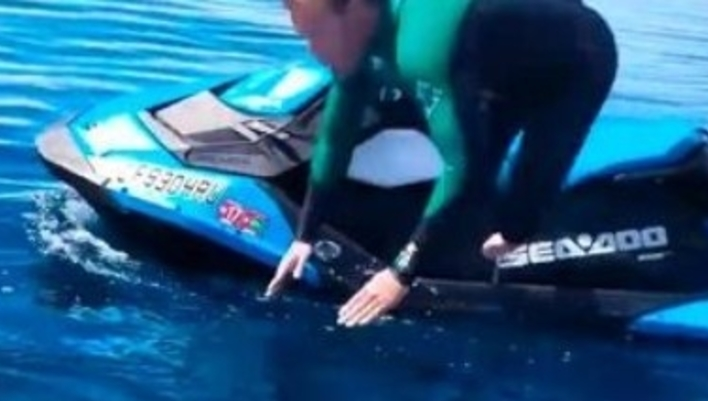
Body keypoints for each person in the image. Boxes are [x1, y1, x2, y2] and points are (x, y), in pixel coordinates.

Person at [264, 0, 619, 326]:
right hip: (495, 55)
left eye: (315, 35)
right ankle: (458, 244)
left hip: (578, 58)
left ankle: (525, 243)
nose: (314, 51)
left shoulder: (420, 50)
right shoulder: (357, 38)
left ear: (354, 11)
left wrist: (400, 275)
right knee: (477, 186)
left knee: (515, 216)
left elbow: (460, 170)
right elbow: (334, 138)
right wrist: (304, 236)